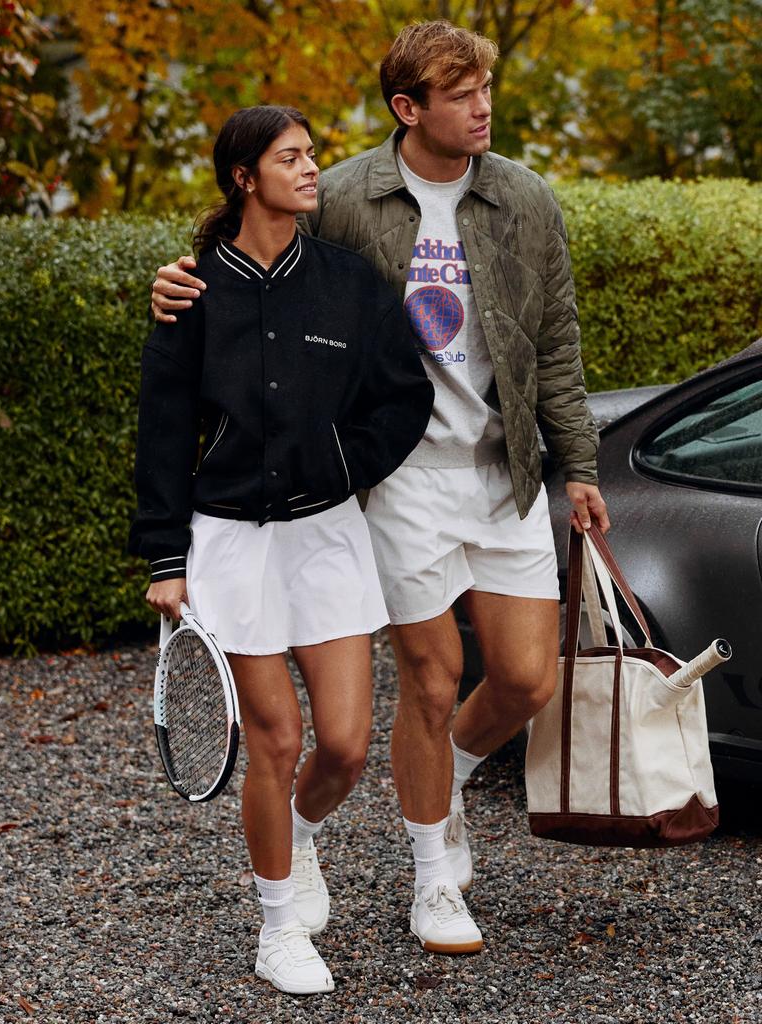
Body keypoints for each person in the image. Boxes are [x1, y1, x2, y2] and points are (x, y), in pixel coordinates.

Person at [150, 22, 610, 955]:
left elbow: (555, 344)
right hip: (399, 484)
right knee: (433, 682)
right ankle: (433, 877)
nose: (484, 106)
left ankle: (441, 785)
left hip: (504, 471)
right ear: (410, 108)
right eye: (463, 91)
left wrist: (581, 466)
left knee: (524, 679)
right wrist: (176, 281)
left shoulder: (525, 198)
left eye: (488, 87)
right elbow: (259, 258)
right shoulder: (349, 192)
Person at [130, 105, 433, 994]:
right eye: (290, 158)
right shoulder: (190, 291)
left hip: (327, 536)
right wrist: (163, 556)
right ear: (243, 177)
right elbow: (164, 431)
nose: (310, 170)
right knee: (276, 739)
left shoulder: (349, 282)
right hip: (227, 543)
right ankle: (276, 931)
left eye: (311, 156)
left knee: (342, 746)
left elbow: (403, 399)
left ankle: (296, 835)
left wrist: (346, 458)